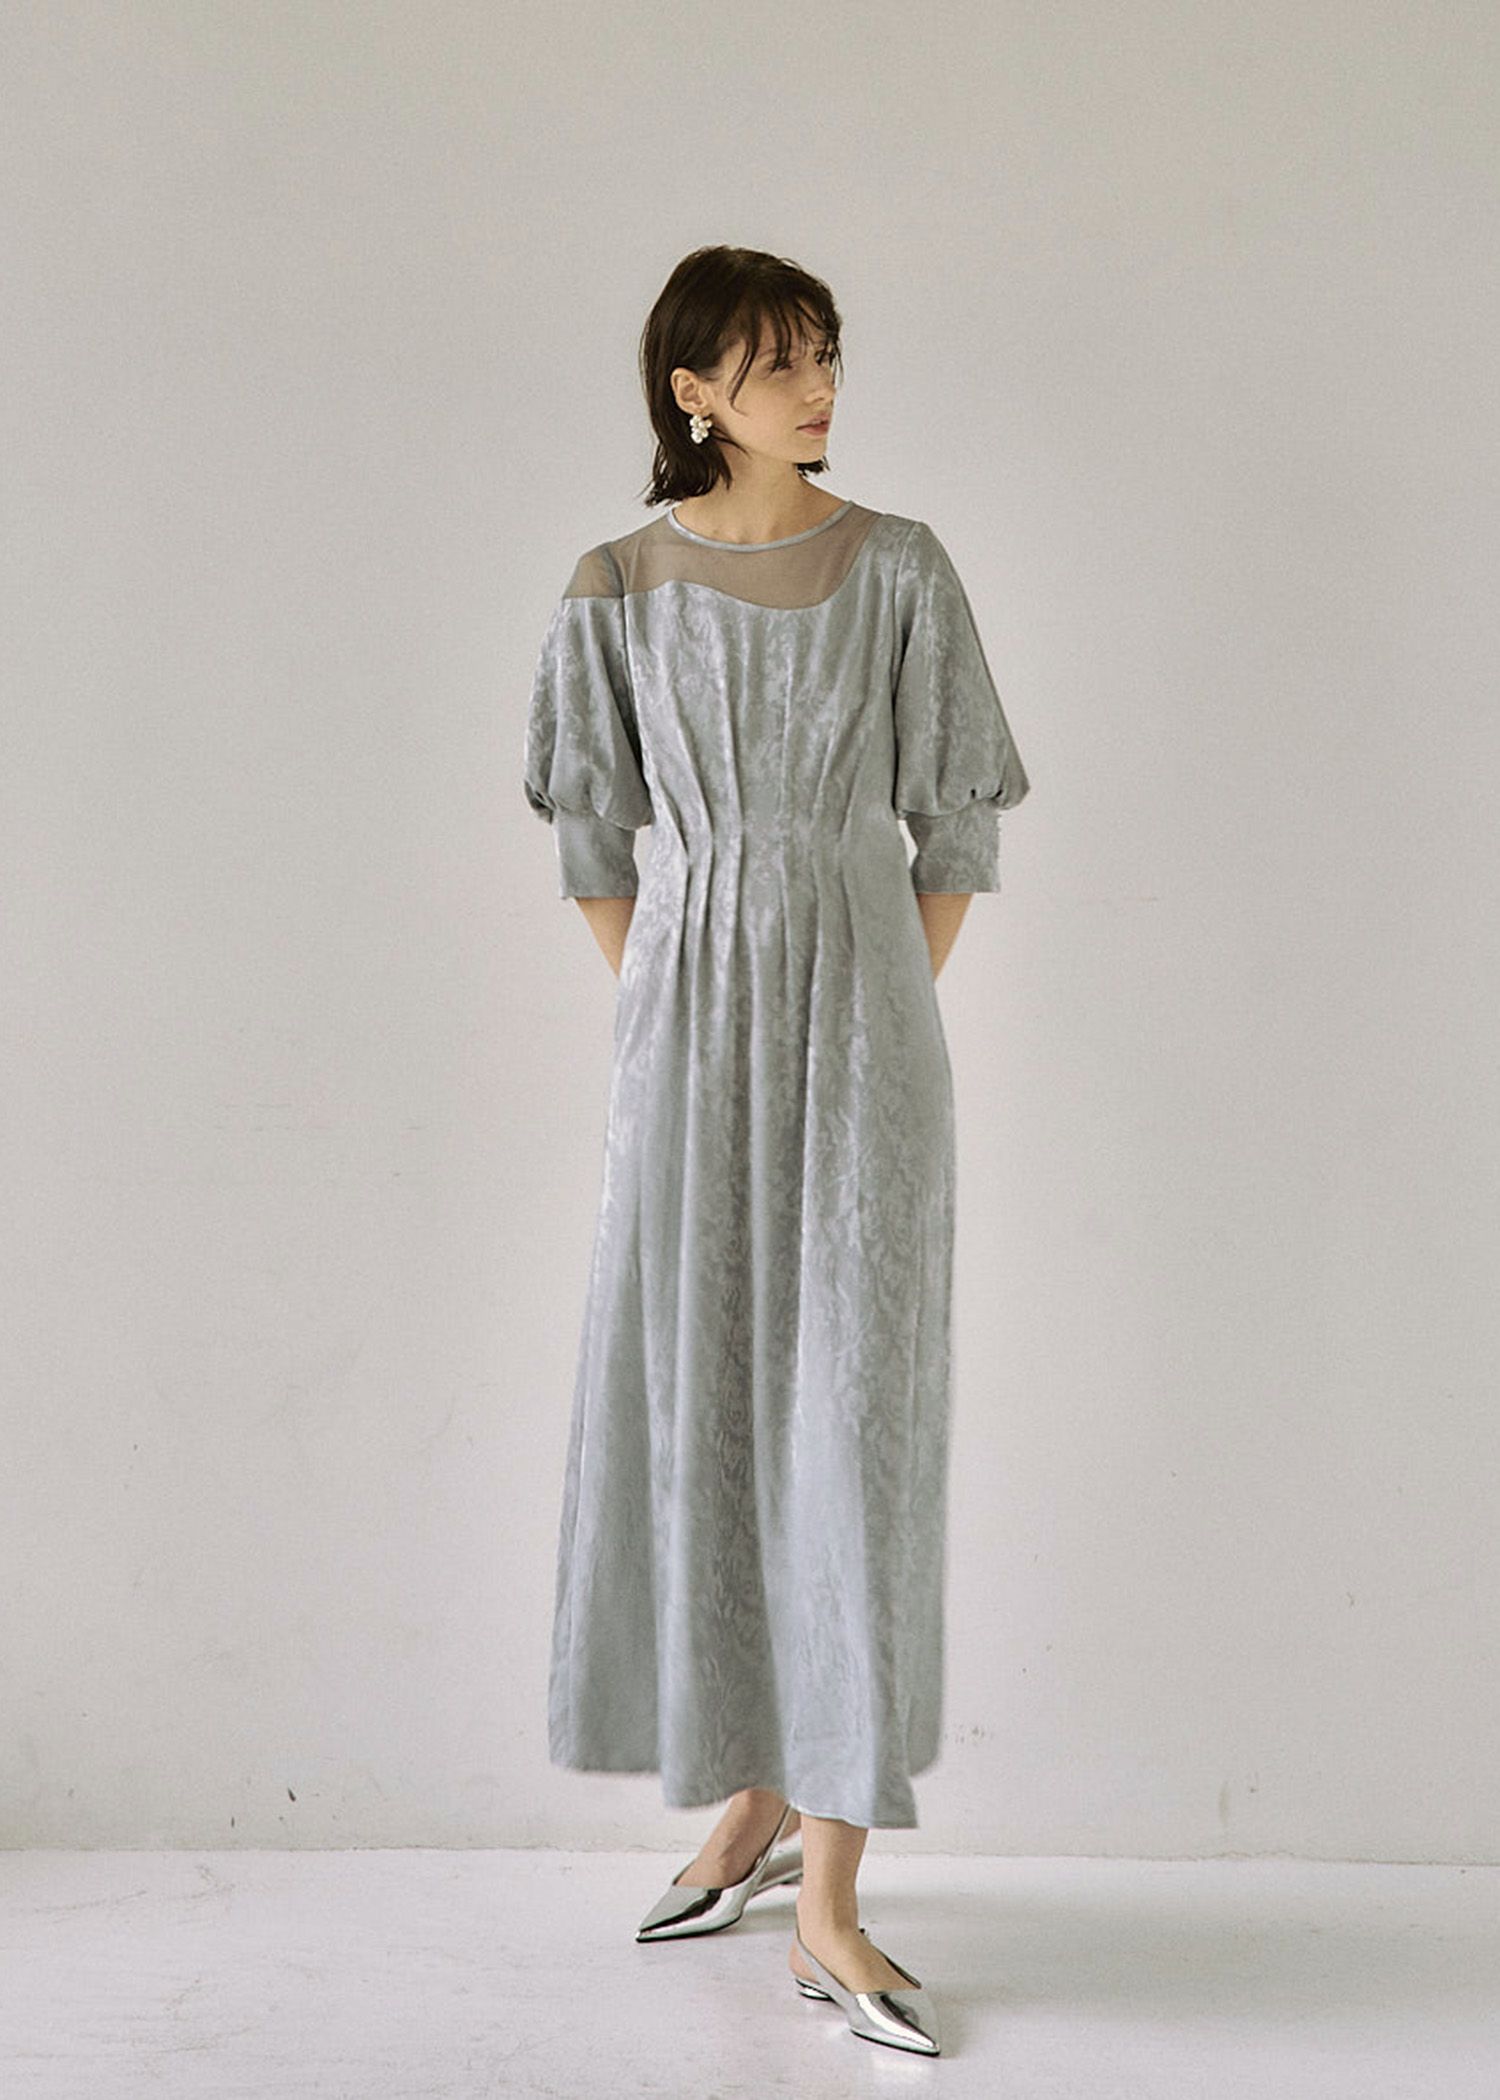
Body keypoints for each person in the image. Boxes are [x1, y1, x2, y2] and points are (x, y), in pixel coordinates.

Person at [523, 243, 1031, 2060]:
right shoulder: (615, 589)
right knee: (714, 1413)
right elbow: (595, 845)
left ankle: (831, 1896)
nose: (819, 388)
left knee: (853, 1434)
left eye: (827, 355)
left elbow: (954, 832)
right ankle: (747, 1801)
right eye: (779, 361)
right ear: (696, 391)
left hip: (867, 1042)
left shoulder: (903, 568)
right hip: (684, 1050)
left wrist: (864, 991)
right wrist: (682, 996)